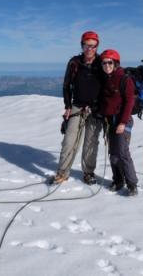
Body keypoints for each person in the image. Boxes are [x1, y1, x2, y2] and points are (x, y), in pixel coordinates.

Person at [49, 31, 104, 186]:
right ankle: (62, 172)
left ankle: (88, 173)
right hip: (76, 106)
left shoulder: (102, 62)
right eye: (87, 45)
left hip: (95, 108)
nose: (90, 49)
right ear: (82, 45)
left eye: (93, 46)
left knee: (91, 143)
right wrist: (67, 106)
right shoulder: (74, 63)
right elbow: (67, 86)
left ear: (97, 46)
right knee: (69, 141)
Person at [98, 49, 139, 196]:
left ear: (115, 63)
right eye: (104, 63)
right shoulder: (106, 79)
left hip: (122, 121)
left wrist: (122, 123)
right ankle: (118, 180)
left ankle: (132, 184)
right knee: (113, 154)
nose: (106, 65)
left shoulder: (124, 79)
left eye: (110, 62)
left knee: (122, 153)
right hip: (109, 122)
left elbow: (129, 102)